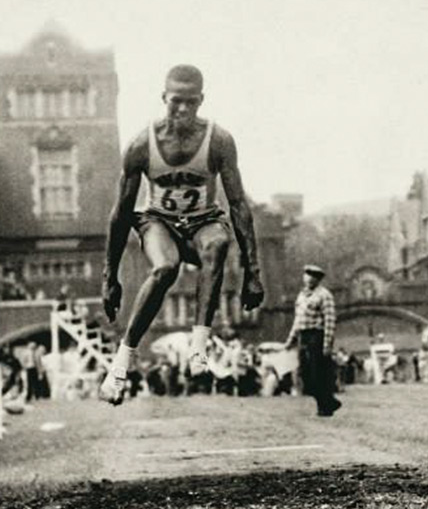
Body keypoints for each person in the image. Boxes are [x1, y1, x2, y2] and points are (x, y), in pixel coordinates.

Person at [100, 65, 265, 405]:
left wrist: (253, 272)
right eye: (176, 102)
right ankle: (121, 363)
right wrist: (110, 277)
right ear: (164, 99)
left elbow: (238, 205)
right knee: (165, 268)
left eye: (191, 102)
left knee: (218, 244)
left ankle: (198, 349)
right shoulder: (141, 144)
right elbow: (120, 213)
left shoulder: (218, 141)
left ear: (201, 100)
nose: (183, 110)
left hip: (203, 219)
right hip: (158, 221)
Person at [284, 265, 341, 416]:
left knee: (317, 374)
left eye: (313, 276)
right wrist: (290, 340)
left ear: (318, 279)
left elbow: (330, 321)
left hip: (317, 336)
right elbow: (298, 320)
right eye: (307, 275)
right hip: (303, 336)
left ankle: (324, 407)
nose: (309, 278)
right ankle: (330, 402)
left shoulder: (324, 295)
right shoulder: (301, 295)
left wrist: (327, 344)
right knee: (305, 375)